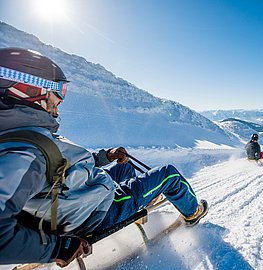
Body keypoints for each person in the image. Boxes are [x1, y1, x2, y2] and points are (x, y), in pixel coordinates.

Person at [0, 47, 208, 267]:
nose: (62, 99)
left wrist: (104, 157)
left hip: (76, 204)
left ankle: (143, 196)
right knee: (169, 175)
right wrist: (58, 248)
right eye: (59, 90)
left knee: (124, 168)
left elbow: (60, 164)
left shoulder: (23, 135)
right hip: (97, 213)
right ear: (29, 89)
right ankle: (193, 213)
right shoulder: (25, 153)